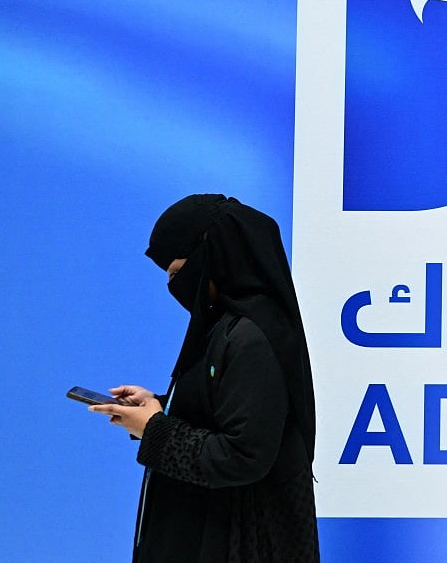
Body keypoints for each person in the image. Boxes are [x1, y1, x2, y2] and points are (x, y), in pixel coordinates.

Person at [91, 194, 320, 562]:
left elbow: (243, 454)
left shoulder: (251, 338)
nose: (174, 285)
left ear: (214, 256)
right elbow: (227, 407)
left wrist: (155, 430)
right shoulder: (227, 328)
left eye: (178, 273)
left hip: (238, 541)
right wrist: (159, 407)